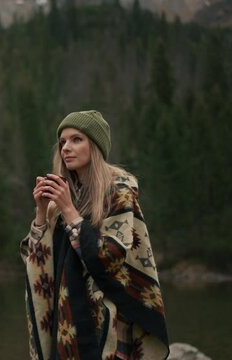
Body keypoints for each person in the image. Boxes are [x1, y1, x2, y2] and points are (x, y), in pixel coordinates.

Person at [20, 110, 169, 360]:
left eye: (76, 139)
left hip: (107, 323)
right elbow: (34, 263)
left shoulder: (119, 191)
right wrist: (41, 212)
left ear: (96, 146)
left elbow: (109, 258)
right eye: (63, 142)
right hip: (66, 321)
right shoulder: (62, 198)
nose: (66, 147)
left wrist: (69, 210)